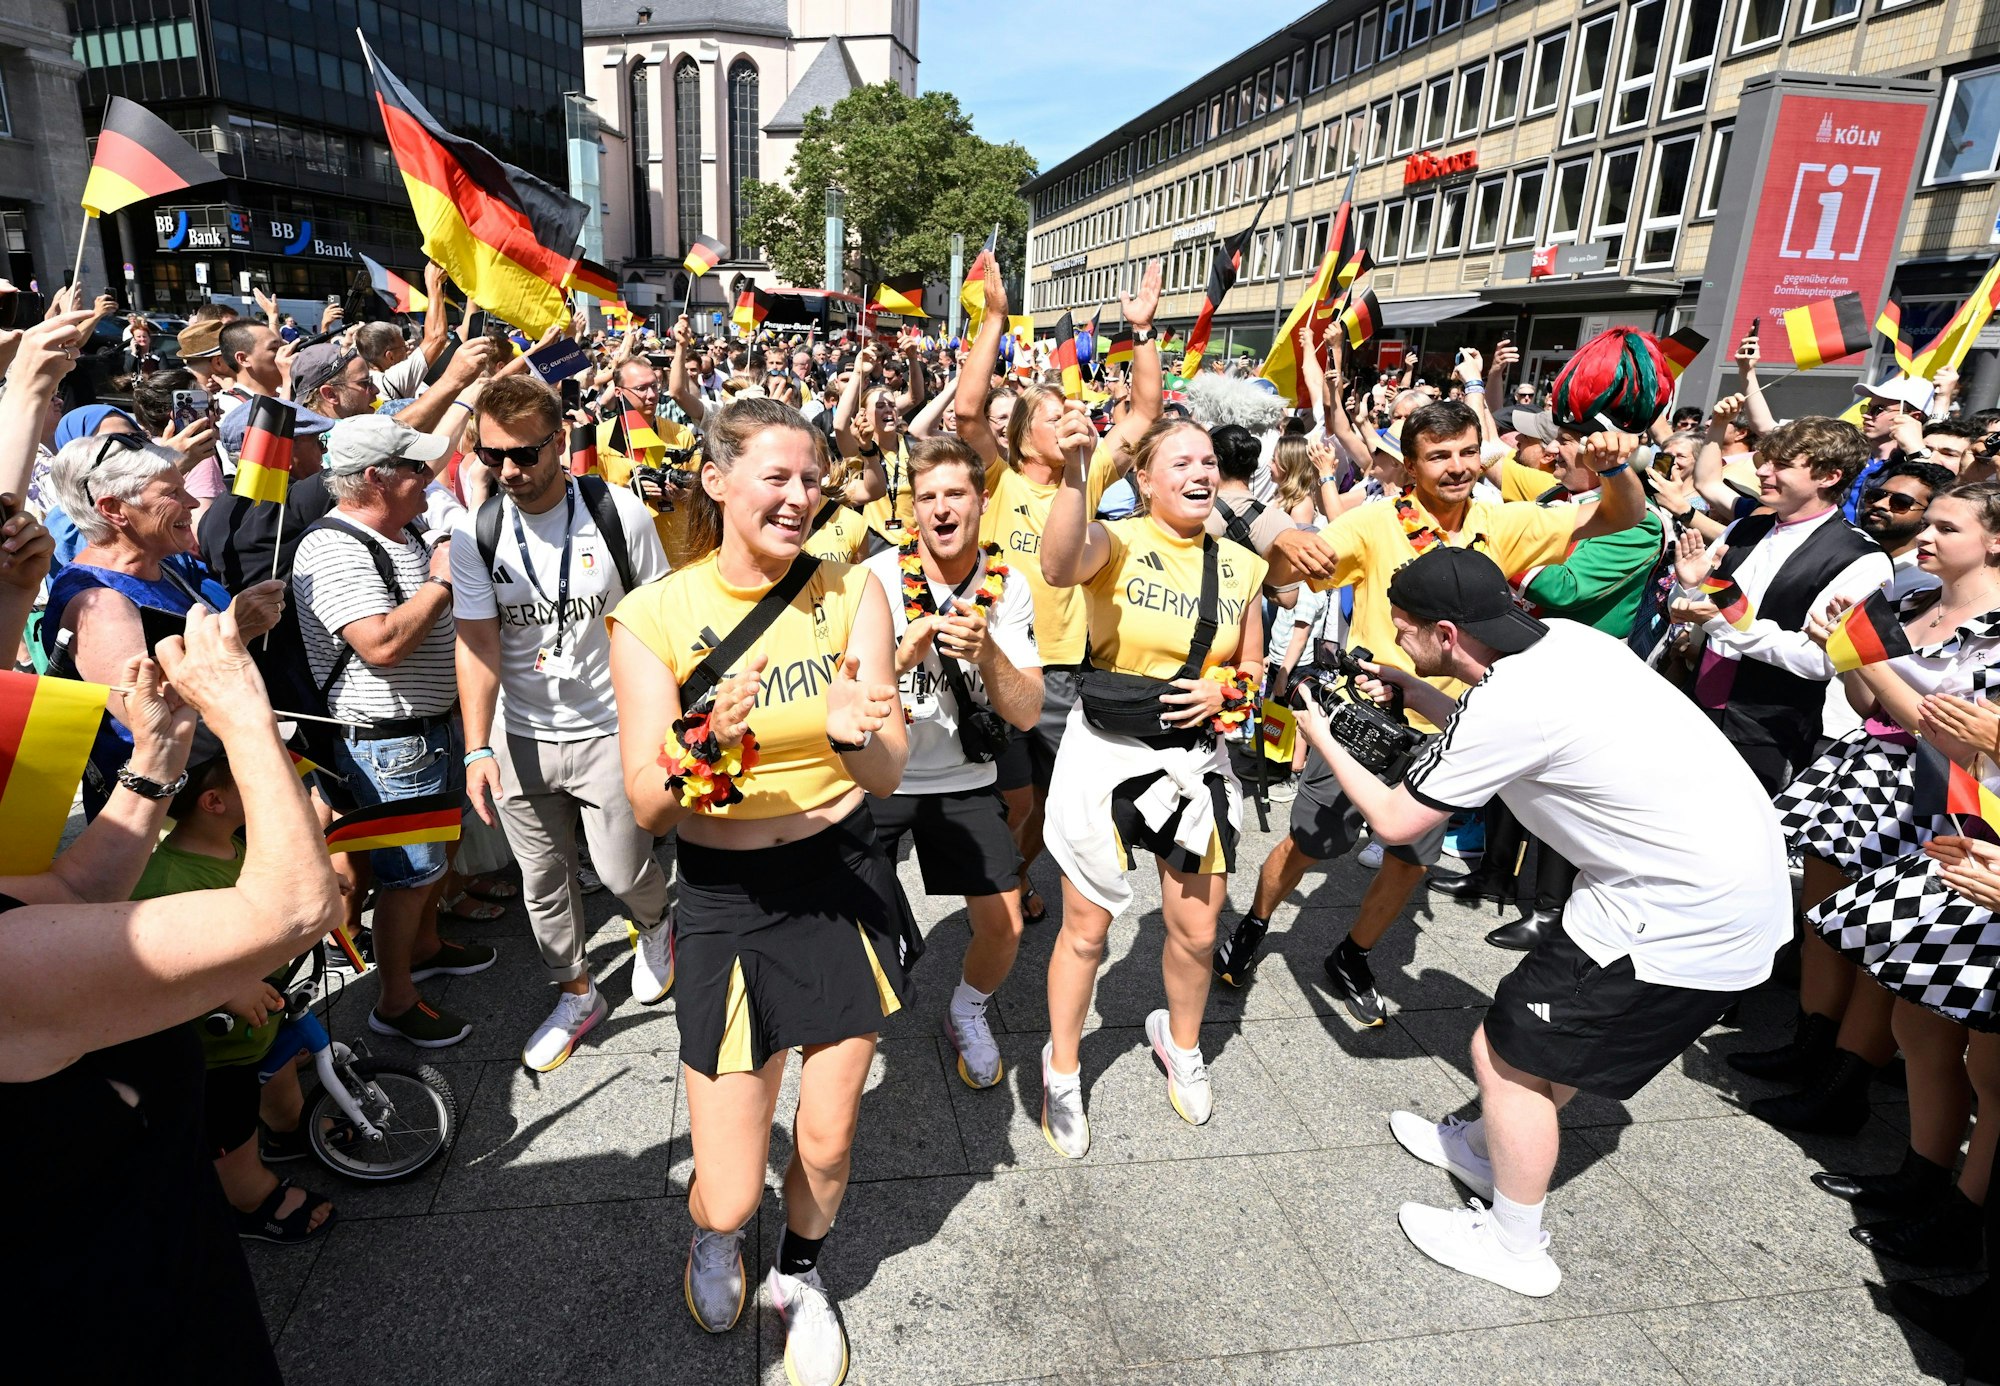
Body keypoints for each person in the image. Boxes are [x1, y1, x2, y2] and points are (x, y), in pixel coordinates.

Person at [1295, 546, 1786, 1297]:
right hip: (1714, 885)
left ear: (1448, 634)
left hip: (1675, 915)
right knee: (1532, 1045)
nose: (1398, 643)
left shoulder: (1511, 701)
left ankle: (1514, 1244)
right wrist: (1405, 687)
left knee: (1504, 1058)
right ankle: (1488, 1147)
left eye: (1404, 633)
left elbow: (1397, 819)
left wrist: (1317, 722)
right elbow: (1493, 729)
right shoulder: (1568, 642)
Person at [607, 396, 907, 1385]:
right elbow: (649, 804)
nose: (797, 495)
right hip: (727, 895)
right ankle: (716, 1236)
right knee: (730, 1192)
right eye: (775, 476)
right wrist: (710, 747)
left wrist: (858, 739)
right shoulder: (655, 615)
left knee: (824, 1142)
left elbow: (887, 770)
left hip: (840, 877)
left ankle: (803, 1277)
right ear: (718, 480)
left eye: (811, 478)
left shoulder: (852, 588)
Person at [1216, 398, 1648, 1020]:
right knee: (1310, 844)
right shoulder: (1373, 522)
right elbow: (1289, 573)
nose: (1457, 467)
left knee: (1409, 863)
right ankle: (1257, 923)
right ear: (1411, 468)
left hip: (1453, 728)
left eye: (1467, 452)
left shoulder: (1504, 524)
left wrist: (1617, 470)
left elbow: (1618, 518)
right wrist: (1284, 544)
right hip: (1366, 723)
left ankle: (1353, 954)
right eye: (1438, 456)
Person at [0, 603, 344, 1379]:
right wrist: (245, 714)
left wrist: (159, 751)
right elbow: (292, 910)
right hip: (114, 1320)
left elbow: (71, 888)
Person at [1037, 409, 1268, 1154]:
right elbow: (1058, 562)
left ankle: (1181, 1042)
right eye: (1181, 463)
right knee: (1088, 930)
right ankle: (1063, 1069)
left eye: (1208, 462)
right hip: (1106, 756)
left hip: (1195, 763)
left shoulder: (1241, 565)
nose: (1201, 473)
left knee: (1198, 931)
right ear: (1144, 479)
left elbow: (1254, 671)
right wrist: (1076, 473)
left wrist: (1225, 692)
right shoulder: (1119, 539)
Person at [1741, 482, 2000, 1137]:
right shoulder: (1910, 598)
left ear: (1996, 542)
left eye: (1947, 528)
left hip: (1938, 794)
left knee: (1882, 947)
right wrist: (1849, 657)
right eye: (1928, 525)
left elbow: (1938, 729)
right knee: (1827, 927)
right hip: (1866, 771)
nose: (1926, 538)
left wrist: (1860, 653)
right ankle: (1810, 1050)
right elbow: (1866, 703)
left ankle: (1843, 1085)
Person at [452, 377, 674, 1071]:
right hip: (522, 736)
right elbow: (478, 646)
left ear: (560, 441)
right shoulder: (476, 531)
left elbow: (659, 623)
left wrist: (661, 725)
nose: (509, 472)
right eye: (493, 457)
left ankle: (657, 921)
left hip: (612, 727)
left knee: (619, 868)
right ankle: (576, 993)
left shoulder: (620, 514)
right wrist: (476, 749)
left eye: (524, 455)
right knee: (541, 880)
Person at [952, 254, 1163, 927]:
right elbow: (964, 412)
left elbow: (1148, 411)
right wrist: (993, 319)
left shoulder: (1088, 473)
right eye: (1052, 416)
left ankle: (1015, 874)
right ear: (1021, 437)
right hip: (1007, 661)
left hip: (1071, 670)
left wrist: (1144, 331)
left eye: (1071, 412)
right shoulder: (1000, 480)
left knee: (1045, 804)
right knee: (1017, 799)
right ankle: (1001, 885)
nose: (1069, 419)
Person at [291, 414, 491, 1049]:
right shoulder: (333, 546)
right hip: (387, 740)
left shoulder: (402, 535)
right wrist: (439, 582)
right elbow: (379, 645)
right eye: (416, 468)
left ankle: (425, 947)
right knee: (410, 873)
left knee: (431, 863)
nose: (428, 477)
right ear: (375, 479)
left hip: (425, 730)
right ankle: (395, 999)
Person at [864, 437, 1043, 1088]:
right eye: (927, 496)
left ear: (981, 501)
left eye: (955, 494)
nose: (940, 508)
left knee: (1004, 924)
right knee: (843, 915)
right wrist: (900, 660)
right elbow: (841, 689)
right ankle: (844, 1020)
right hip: (884, 770)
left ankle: (967, 1008)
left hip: (967, 774)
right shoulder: (876, 578)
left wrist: (988, 652)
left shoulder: (1009, 584)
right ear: (912, 508)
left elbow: (1026, 712)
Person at [132, 755, 335, 1243]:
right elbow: (156, 963)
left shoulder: (238, 846)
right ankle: (249, 1198)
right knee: (230, 1119)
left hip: (262, 1015)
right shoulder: (164, 880)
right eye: (252, 782)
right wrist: (223, 989)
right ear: (214, 802)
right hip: (213, 1046)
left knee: (277, 1069)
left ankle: (289, 1128)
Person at [40, 433, 286, 814]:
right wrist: (237, 631)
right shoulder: (97, 601)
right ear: (114, 509)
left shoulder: (168, 564)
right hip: (171, 814)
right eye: (172, 492)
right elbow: (154, 720)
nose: (191, 502)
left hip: (222, 789)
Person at [1669, 416, 1892, 793]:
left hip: (1767, 732)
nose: (1764, 472)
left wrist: (1725, 622)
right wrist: (1690, 588)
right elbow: (1706, 602)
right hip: (1696, 709)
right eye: (1765, 461)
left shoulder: (1861, 558)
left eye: (1782, 465)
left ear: (1829, 476)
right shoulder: (1745, 528)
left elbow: (1820, 659)